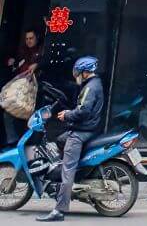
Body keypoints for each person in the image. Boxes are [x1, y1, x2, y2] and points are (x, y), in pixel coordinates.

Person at [36, 56, 104, 223]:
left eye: (77, 72)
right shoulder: (94, 84)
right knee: (60, 139)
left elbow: (84, 111)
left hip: (82, 131)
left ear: (84, 72)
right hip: (89, 128)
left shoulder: (90, 88)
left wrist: (67, 115)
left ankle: (59, 210)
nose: (76, 76)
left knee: (68, 170)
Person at [3, 28, 42, 145]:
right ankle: (13, 141)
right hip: (19, 92)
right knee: (8, 113)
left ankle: (30, 144)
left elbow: (46, 62)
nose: (29, 41)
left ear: (37, 39)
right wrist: (11, 62)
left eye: (31, 38)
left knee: (31, 119)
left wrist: (37, 65)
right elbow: (14, 64)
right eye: (27, 39)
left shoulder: (41, 52)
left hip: (34, 93)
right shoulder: (23, 52)